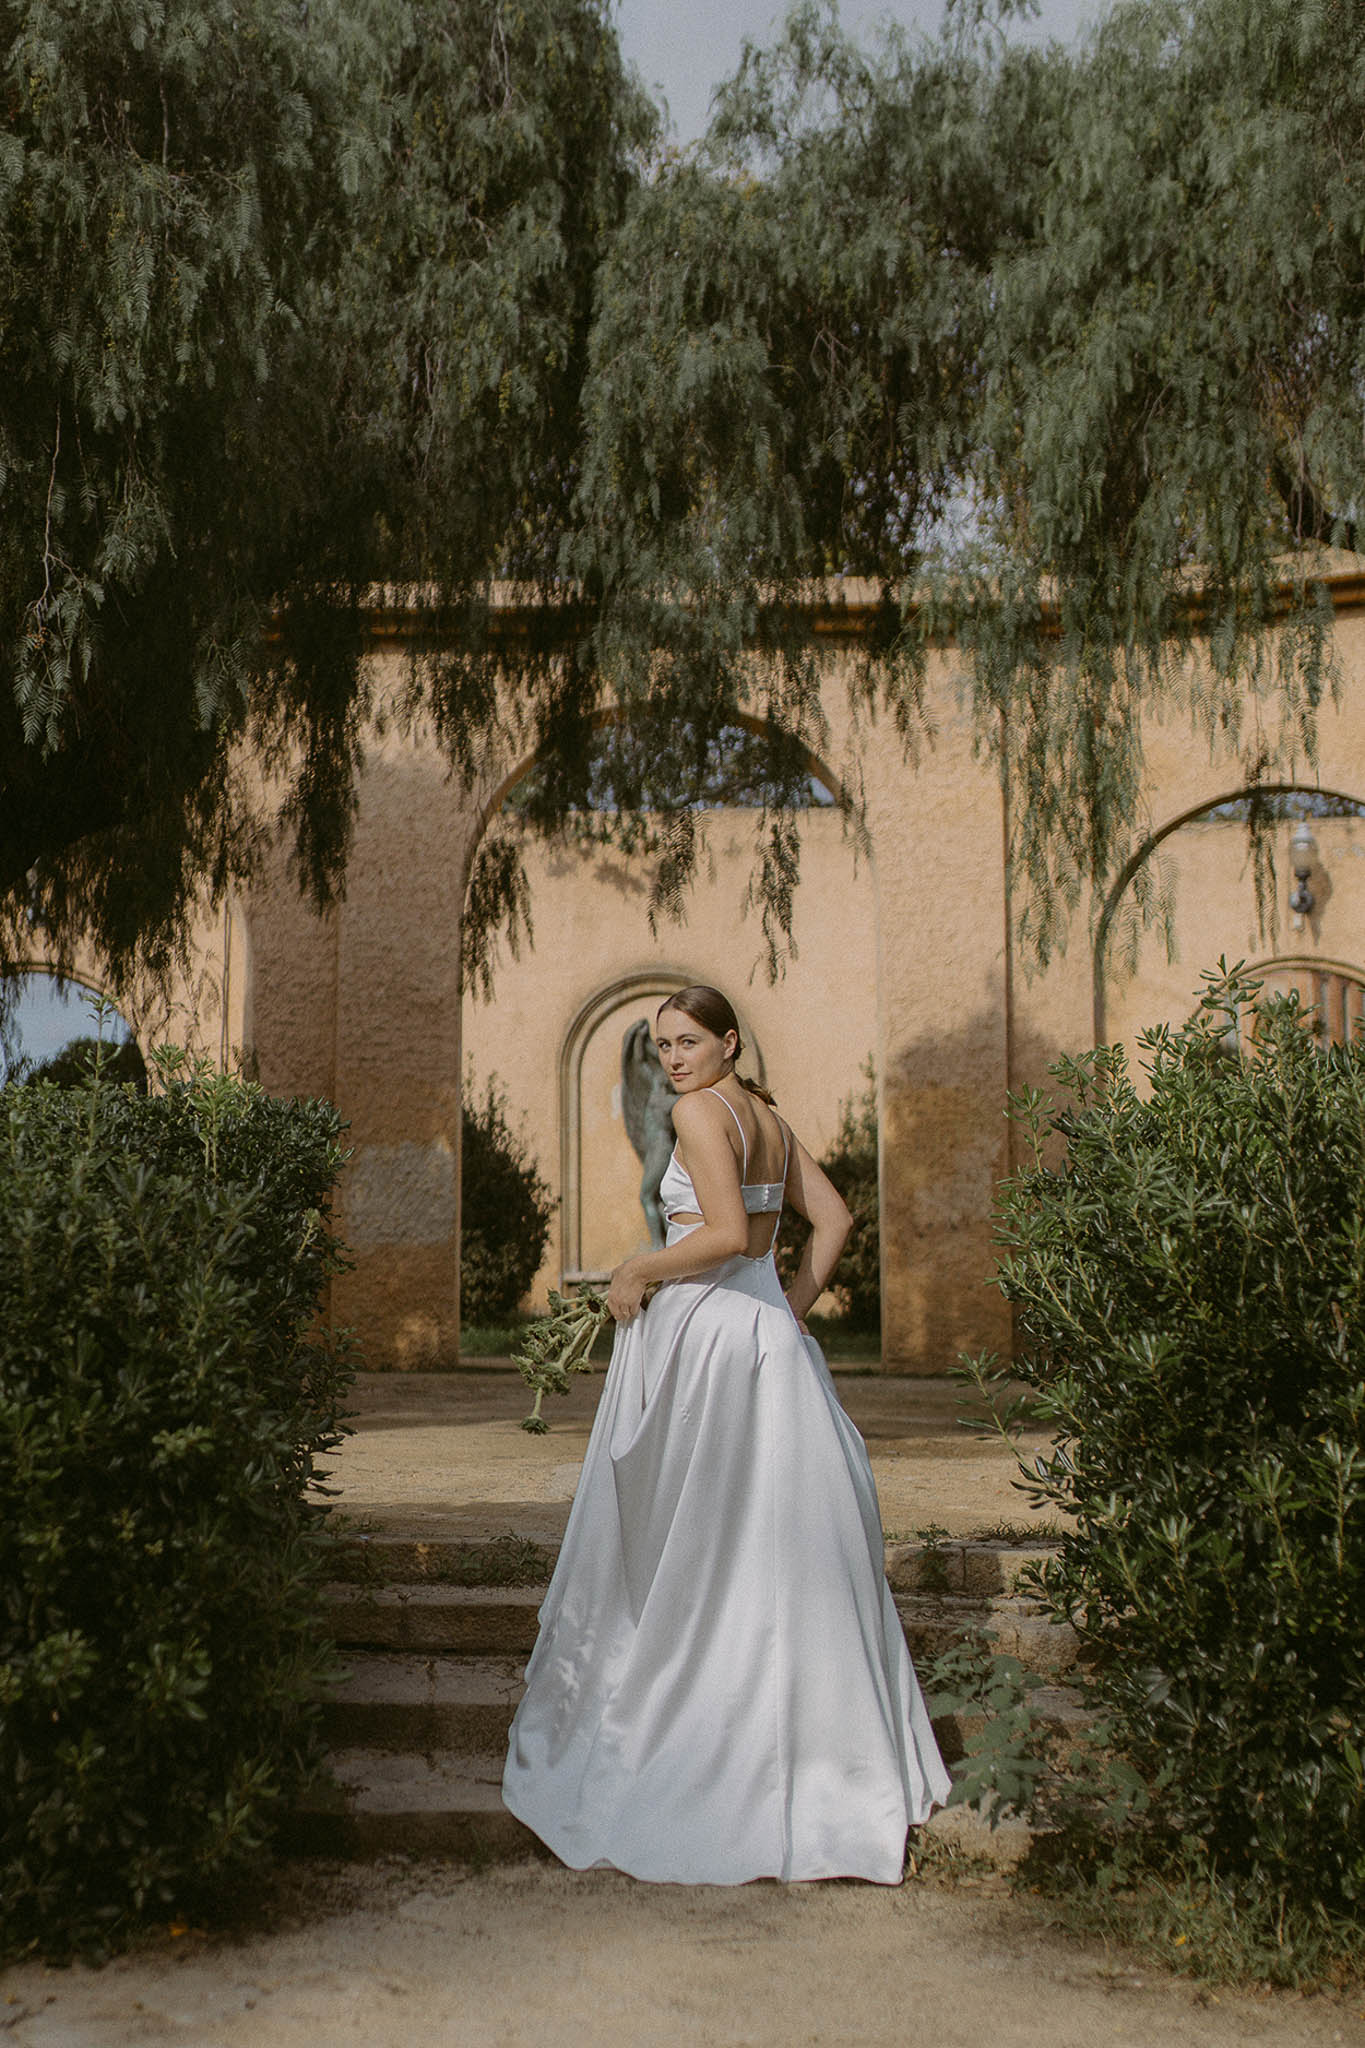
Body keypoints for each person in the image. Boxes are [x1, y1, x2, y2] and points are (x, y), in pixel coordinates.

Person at [502, 985, 951, 1884]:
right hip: (767, 1343)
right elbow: (834, 1220)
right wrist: (787, 1309)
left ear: (728, 1042)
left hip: (708, 1340)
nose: (673, 1059)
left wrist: (637, 1268)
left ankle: (700, 1741)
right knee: (765, 1545)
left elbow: (723, 1236)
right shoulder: (766, 1119)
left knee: (695, 1540)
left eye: (688, 1041)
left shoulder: (699, 1113)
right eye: (663, 1045)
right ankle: (809, 1757)